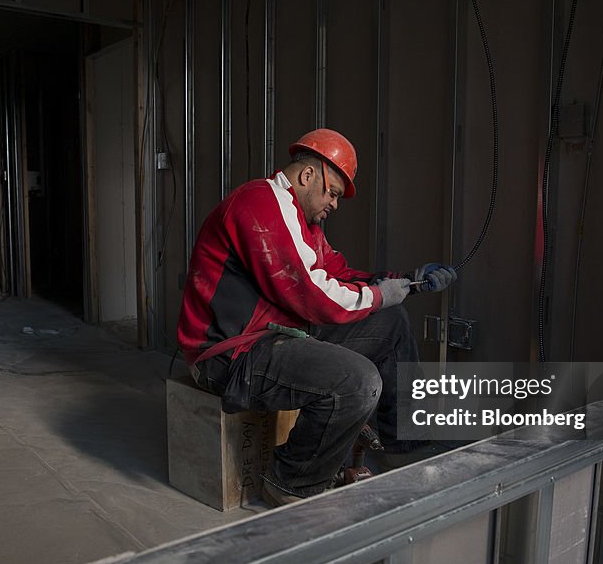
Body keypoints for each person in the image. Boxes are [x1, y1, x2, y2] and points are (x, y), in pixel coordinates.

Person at [177, 128, 456, 506]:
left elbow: (337, 274)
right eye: (334, 193)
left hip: (275, 336)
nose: (335, 204)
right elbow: (310, 294)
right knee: (358, 381)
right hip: (231, 354)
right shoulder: (260, 204)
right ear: (308, 176)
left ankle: (405, 444)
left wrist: (407, 282)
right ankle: (293, 482)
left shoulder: (303, 223)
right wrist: (377, 296)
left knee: (391, 324)